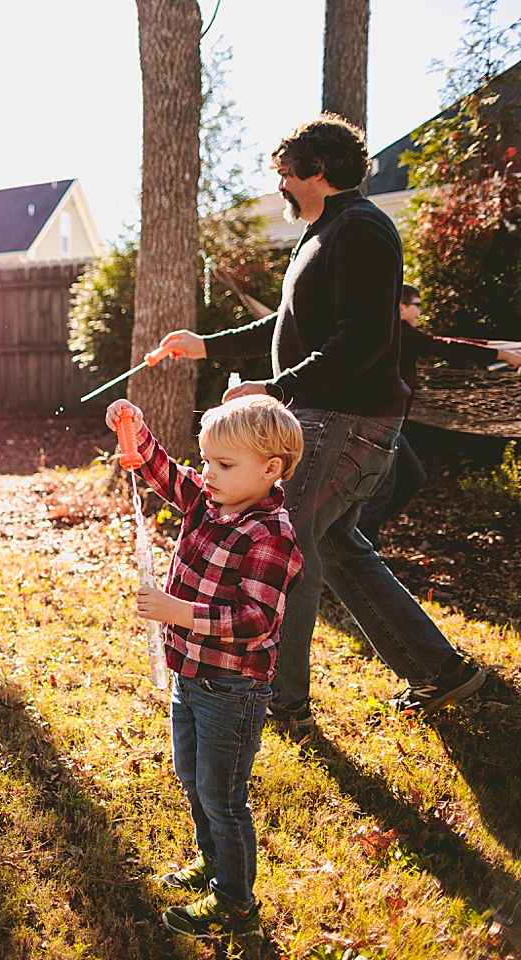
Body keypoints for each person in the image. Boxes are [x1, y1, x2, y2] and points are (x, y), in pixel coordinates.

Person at [150, 115, 487, 734]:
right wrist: (204, 346)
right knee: (339, 549)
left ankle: (281, 702)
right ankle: (441, 671)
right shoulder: (325, 232)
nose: (279, 179)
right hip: (334, 419)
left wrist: (276, 388)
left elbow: (363, 338)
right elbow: (285, 327)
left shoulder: (359, 229)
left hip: (348, 420)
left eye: (285, 169)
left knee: (289, 545)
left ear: (319, 171)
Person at [106, 394, 304, 939]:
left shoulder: (272, 536)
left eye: (223, 464)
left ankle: (236, 901)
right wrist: (134, 426)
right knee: (192, 780)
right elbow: (161, 470)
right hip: (189, 676)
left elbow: (255, 619)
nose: (207, 474)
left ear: (270, 470)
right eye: (207, 460)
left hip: (232, 688)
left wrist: (179, 612)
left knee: (223, 796)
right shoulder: (209, 500)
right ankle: (211, 863)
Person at [356, 283, 521, 544]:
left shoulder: (400, 331)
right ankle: (356, 544)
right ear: (401, 307)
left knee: (411, 477)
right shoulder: (398, 332)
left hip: (390, 423)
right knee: (383, 488)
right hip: (380, 422)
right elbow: (442, 346)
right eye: (417, 305)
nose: (420, 311)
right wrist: (499, 352)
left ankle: (360, 539)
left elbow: (450, 342)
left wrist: (504, 346)